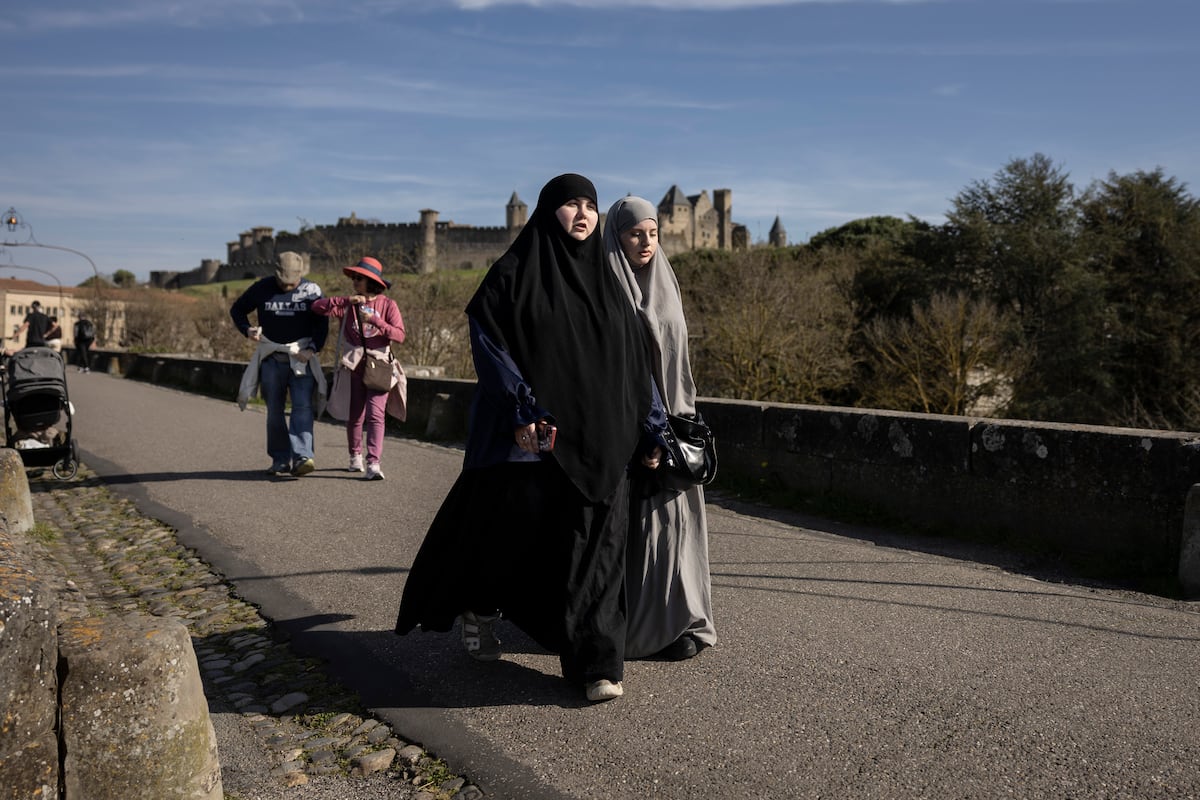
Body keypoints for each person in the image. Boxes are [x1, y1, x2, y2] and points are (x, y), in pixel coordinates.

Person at [395, 173, 662, 703]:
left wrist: (654, 426)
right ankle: (480, 605)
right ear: (545, 212)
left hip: (607, 441)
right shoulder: (511, 275)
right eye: (570, 204)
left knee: (600, 552)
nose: (583, 213)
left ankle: (597, 666)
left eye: (590, 204)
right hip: (537, 440)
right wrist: (523, 408)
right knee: (516, 541)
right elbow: (492, 349)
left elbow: (636, 365)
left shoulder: (610, 282)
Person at [604, 196, 718, 661]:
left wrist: (679, 424)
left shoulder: (665, 283)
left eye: (653, 233)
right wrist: (648, 431)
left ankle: (685, 618)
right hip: (636, 427)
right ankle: (644, 628)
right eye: (636, 233)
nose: (647, 242)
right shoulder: (609, 289)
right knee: (644, 529)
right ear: (617, 236)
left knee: (679, 525)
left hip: (676, 424)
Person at [231, 252, 329, 477]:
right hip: (272, 359)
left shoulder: (311, 291)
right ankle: (280, 459)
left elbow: (322, 323)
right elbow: (237, 310)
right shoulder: (261, 288)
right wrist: (247, 329)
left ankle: (303, 456)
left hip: (301, 357)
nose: (287, 286)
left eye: (292, 282)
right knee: (274, 411)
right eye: (283, 282)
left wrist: (313, 348)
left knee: (302, 406)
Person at [312, 257, 407, 481]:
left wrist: (376, 321)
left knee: (376, 415)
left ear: (371, 282)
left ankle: (373, 462)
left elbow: (399, 335)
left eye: (359, 278)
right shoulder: (348, 305)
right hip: (354, 365)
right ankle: (355, 456)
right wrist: (345, 301)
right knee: (355, 415)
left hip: (380, 366)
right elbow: (316, 307)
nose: (354, 281)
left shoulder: (387, 305)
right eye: (353, 277)